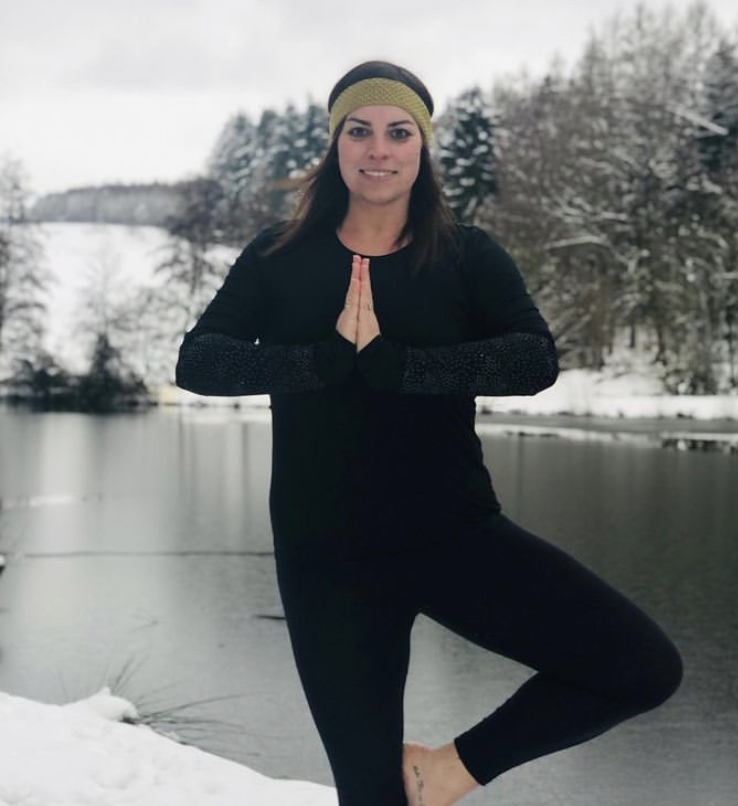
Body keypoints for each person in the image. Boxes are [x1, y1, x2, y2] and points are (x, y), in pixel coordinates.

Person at [176, 60, 682, 806]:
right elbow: (199, 362)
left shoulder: (464, 254)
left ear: (423, 146)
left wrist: (399, 365)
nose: (378, 149)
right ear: (335, 145)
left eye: (398, 132)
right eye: (359, 131)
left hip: (453, 535)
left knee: (640, 665)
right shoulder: (279, 255)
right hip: (326, 558)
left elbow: (533, 359)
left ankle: (440, 772)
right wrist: (323, 360)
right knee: (370, 796)